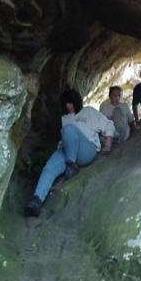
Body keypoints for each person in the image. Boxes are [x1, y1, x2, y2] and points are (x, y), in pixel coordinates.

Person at [25, 89, 115, 217]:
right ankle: (36, 200)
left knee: (69, 129)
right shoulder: (65, 118)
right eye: (66, 104)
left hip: (86, 149)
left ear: (77, 102)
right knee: (49, 167)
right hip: (68, 150)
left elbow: (108, 125)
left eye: (71, 103)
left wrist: (108, 144)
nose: (69, 106)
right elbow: (65, 139)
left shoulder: (88, 111)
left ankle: (71, 165)